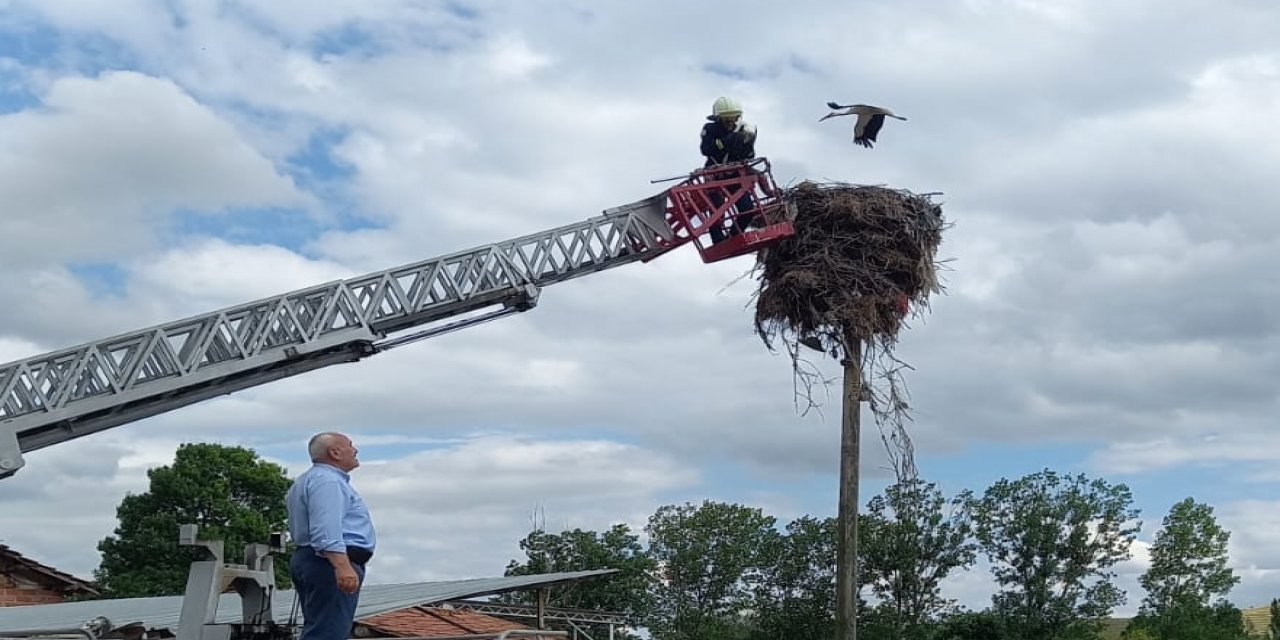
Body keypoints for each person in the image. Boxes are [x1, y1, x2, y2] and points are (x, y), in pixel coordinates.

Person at [286, 432, 377, 640]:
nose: (355, 450)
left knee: (322, 626)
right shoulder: (328, 481)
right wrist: (342, 566)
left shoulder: (309, 480)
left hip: (314, 559)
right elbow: (326, 527)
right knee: (328, 632)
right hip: (328, 562)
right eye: (350, 445)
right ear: (335, 452)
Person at [699, 96, 759, 242]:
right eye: (727, 119)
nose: (730, 122)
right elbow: (706, 149)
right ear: (719, 119)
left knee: (747, 209)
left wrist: (747, 142)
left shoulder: (743, 130)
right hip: (715, 176)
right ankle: (718, 242)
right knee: (716, 212)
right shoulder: (710, 129)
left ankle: (733, 238)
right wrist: (727, 141)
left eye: (734, 118)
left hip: (734, 176)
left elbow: (749, 155)